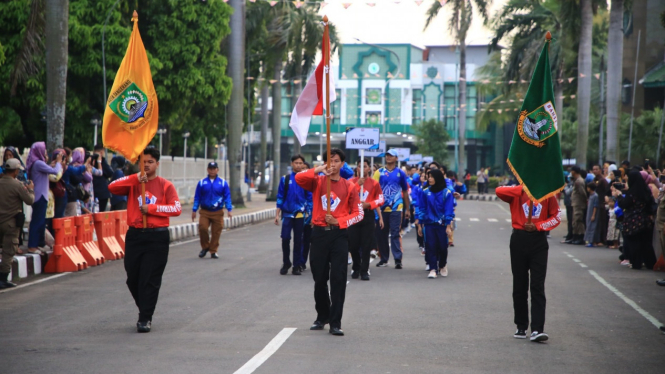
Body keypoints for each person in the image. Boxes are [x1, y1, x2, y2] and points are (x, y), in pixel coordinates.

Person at [108, 147, 182, 333]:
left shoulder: (166, 185)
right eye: (143, 162)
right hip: (135, 235)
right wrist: (135, 178)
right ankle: (145, 307)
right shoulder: (134, 183)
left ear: (157, 164)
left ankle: (145, 318)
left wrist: (153, 208)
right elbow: (112, 187)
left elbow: (176, 209)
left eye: (150, 162)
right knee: (133, 278)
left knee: (149, 279)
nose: (147, 165)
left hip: (157, 236)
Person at [294, 148, 364, 336]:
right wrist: (319, 169)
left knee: (338, 278)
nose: (332, 164)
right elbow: (298, 178)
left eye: (336, 161)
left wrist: (340, 222)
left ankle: (335, 321)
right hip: (318, 234)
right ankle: (322, 315)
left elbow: (359, 214)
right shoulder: (317, 182)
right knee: (319, 278)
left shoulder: (349, 186)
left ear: (342, 164)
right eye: (329, 161)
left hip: (339, 236)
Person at [496, 184, 561, 342]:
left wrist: (538, 226)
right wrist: (523, 189)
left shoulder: (547, 194)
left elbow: (556, 217)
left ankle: (537, 329)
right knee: (519, 285)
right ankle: (521, 326)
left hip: (538, 241)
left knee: (537, 285)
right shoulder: (516, 192)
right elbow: (499, 191)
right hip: (518, 239)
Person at [413, 169, 455, 279]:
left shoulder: (447, 193)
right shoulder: (425, 192)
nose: (430, 178)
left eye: (432, 176)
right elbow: (422, 208)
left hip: (442, 225)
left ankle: (442, 265)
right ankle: (433, 269)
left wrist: (448, 225)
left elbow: (448, 210)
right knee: (430, 246)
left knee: (442, 247)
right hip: (429, 224)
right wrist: (420, 224)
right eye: (428, 176)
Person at [0, 159, 35, 289]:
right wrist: (30, 190)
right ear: (16, 171)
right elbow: (29, 201)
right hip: (11, 224)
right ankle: (3, 278)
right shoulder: (17, 185)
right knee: (8, 252)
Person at [274, 155, 311, 275]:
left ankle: (296, 265)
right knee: (285, 238)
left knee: (298, 240)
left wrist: (309, 213)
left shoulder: (306, 180)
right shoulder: (285, 179)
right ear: (292, 164)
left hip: (300, 215)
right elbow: (280, 197)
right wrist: (277, 214)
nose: (298, 165)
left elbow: (309, 198)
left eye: (301, 163)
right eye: (296, 163)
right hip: (287, 214)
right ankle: (286, 262)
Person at [373, 149, 410, 268]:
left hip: (396, 208)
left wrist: (407, 209)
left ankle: (398, 259)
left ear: (396, 158)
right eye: (387, 155)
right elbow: (373, 189)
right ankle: (384, 259)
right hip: (381, 208)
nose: (388, 157)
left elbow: (405, 191)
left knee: (395, 233)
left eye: (391, 156)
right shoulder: (379, 172)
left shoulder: (400, 173)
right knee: (381, 234)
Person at [613, 171, 657, 270]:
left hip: (632, 221)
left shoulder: (632, 193)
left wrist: (619, 196)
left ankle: (636, 263)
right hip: (645, 221)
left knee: (634, 244)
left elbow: (624, 204)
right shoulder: (646, 190)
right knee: (646, 243)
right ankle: (650, 263)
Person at [349, 158, 384, 281]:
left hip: (367, 215)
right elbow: (346, 196)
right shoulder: (350, 182)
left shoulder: (374, 183)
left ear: (369, 168)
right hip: (353, 216)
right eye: (360, 166)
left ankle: (364, 270)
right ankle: (356, 266)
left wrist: (369, 204)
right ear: (357, 168)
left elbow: (380, 199)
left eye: (365, 166)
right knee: (353, 245)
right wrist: (357, 184)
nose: (362, 169)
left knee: (366, 244)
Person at [25, 142, 63, 254]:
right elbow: (56, 172)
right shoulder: (38, 163)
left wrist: (52, 164)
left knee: (40, 222)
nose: (46, 152)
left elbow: (49, 169)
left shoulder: (38, 163)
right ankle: (32, 246)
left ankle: (36, 244)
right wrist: (59, 163)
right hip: (40, 196)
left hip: (41, 196)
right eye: (44, 150)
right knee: (37, 221)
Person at [192, 162, 233, 259]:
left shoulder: (222, 183)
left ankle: (213, 251)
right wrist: (194, 210)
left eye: (214, 169)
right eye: (210, 168)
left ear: (217, 170)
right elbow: (197, 197)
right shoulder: (202, 183)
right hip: (205, 211)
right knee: (203, 228)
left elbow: (227, 197)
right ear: (207, 170)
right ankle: (205, 247)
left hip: (218, 212)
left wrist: (229, 209)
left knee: (216, 232)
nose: (212, 170)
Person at [62, 148, 92, 217]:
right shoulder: (69, 168)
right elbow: (88, 178)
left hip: (70, 196)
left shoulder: (66, 166)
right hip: (70, 196)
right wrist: (86, 165)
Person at [568, 166, 587, 245]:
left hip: (579, 204)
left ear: (574, 172)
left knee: (578, 220)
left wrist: (584, 201)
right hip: (576, 203)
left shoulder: (579, 181)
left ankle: (580, 237)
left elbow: (583, 193)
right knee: (575, 221)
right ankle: (575, 236)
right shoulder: (577, 180)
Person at [92, 145, 113, 212]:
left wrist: (101, 161)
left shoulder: (103, 162)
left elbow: (110, 173)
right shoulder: (91, 160)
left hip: (101, 193)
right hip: (94, 192)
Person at [592, 164, 609, 246]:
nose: (595, 171)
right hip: (595, 203)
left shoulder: (603, 180)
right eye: (593, 169)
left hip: (601, 204)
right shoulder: (594, 179)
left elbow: (607, 191)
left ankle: (602, 240)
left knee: (602, 222)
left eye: (596, 169)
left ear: (600, 170)